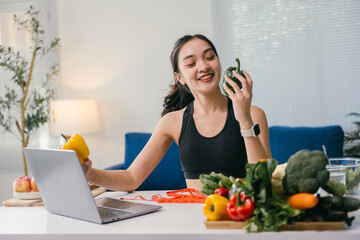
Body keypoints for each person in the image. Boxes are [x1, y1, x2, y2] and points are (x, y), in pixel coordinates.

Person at [82, 34, 271, 191]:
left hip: (240, 217)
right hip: (193, 221)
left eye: (210, 57)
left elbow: (264, 183)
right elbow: (131, 178)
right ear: (179, 77)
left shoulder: (253, 114)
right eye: (191, 63)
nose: (203, 66)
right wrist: (89, 173)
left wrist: (244, 119)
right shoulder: (172, 122)